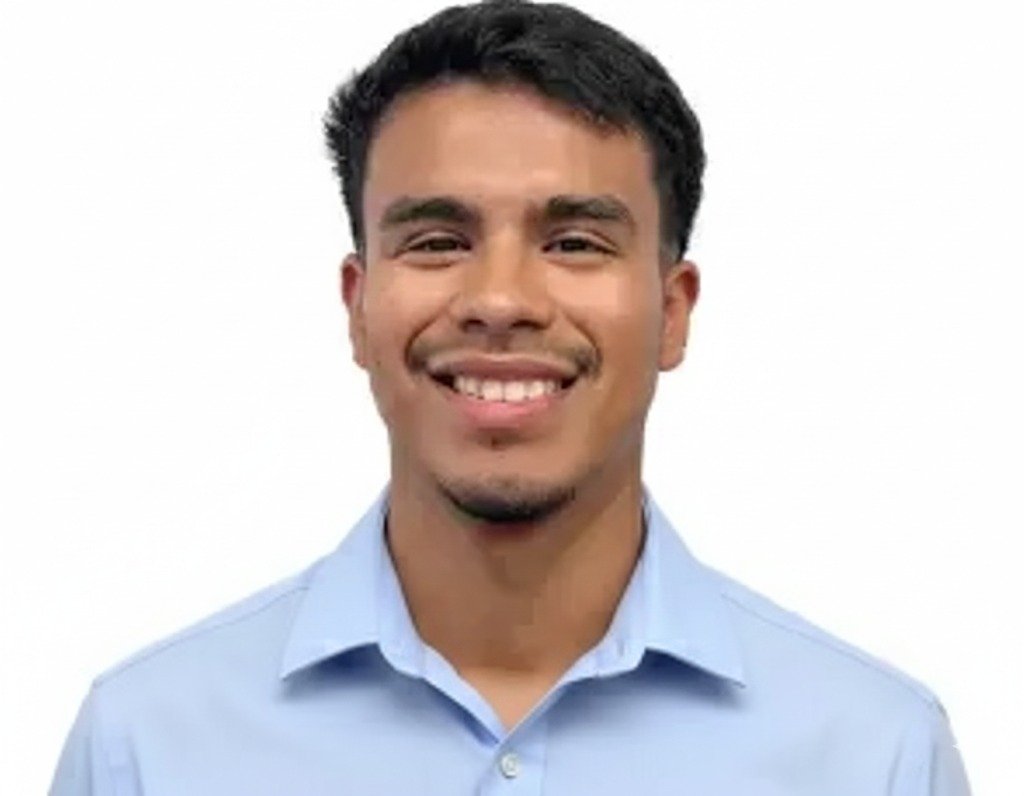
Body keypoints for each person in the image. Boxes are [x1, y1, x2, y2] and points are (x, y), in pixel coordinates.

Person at [50, 1, 972, 793]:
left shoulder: (872, 755)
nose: (499, 300)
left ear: (672, 311)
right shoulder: (148, 748)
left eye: (574, 242)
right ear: (359, 307)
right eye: (437, 240)